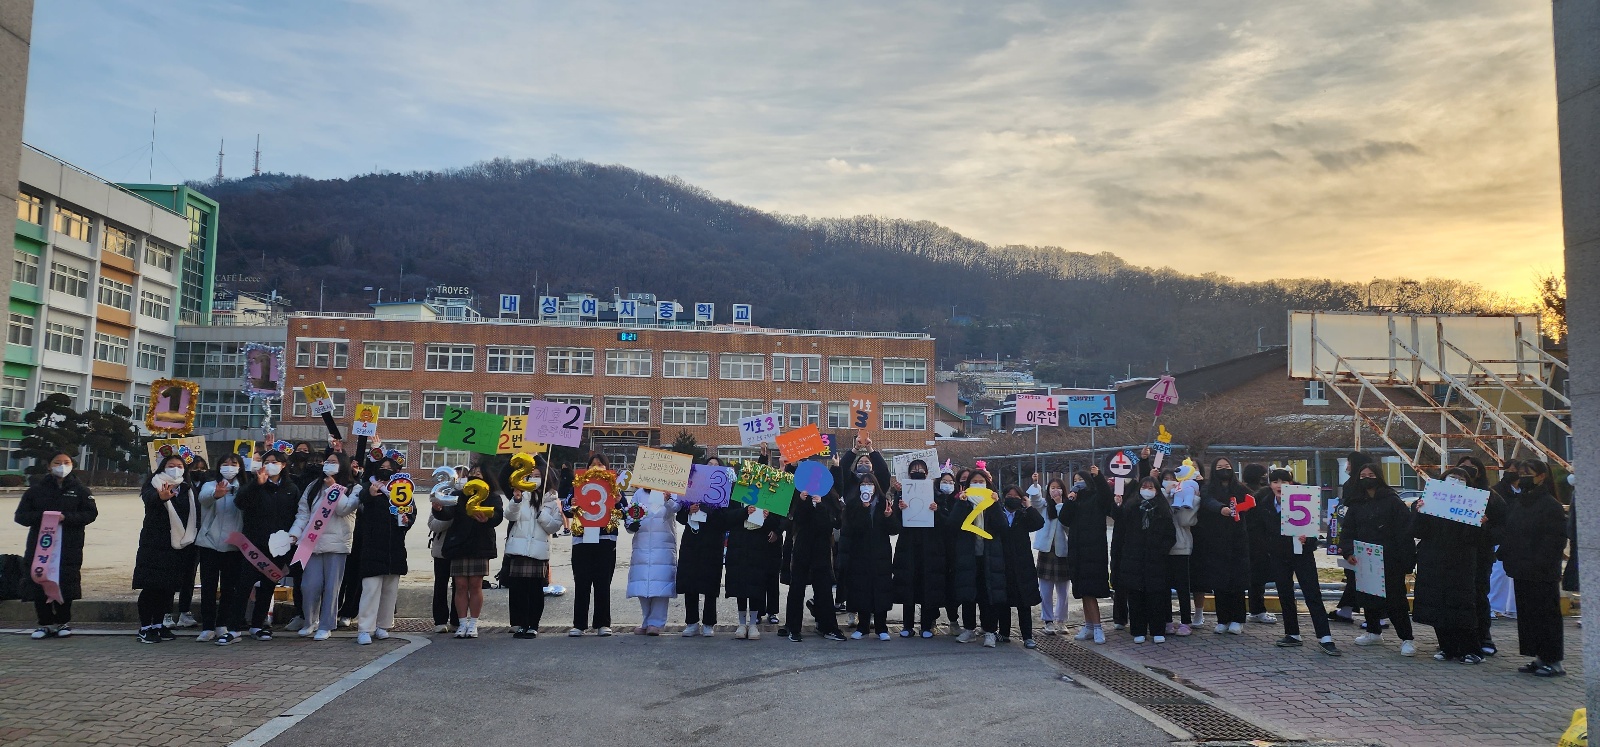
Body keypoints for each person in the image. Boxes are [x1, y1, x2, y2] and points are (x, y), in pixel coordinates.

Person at [14, 453, 97, 639]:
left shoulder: (81, 490)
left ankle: (62, 622)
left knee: (65, 583)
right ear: (49, 466)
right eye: (57, 462)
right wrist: (43, 517)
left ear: (72, 465)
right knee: (39, 581)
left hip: (68, 546)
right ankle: (44, 623)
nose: (62, 466)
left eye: (66, 463)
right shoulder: (35, 490)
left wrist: (66, 518)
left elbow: (90, 514)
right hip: (40, 546)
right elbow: (21, 516)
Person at [1257, 469, 1340, 655]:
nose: (1280, 485)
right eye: (1275, 481)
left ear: (1291, 483)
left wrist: (1307, 540)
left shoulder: (1304, 501)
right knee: (1285, 594)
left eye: (1284, 481)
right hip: (1279, 556)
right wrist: (1270, 548)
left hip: (1302, 555)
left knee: (1312, 594)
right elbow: (1261, 532)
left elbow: (1313, 533)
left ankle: (1325, 637)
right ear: (1270, 485)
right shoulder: (1264, 505)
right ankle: (1292, 633)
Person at [1498, 460, 1568, 676]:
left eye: (1528, 473)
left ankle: (1553, 660)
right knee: (1529, 617)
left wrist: (1539, 562)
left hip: (1542, 571)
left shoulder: (1550, 506)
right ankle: (1539, 657)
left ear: (1541, 476)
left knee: (1547, 616)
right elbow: (1509, 531)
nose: (1522, 476)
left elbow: (1554, 542)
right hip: (1521, 569)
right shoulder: (1520, 503)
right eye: (1520, 473)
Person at [1412, 467, 1487, 663]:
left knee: (1462, 605)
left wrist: (1480, 523)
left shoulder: (1472, 505)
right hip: (1433, 560)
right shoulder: (1430, 502)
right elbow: (1417, 531)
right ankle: (1447, 647)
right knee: (1437, 603)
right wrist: (1419, 511)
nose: (1456, 481)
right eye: (1451, 478)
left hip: (1461, 561)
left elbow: (1476, 539)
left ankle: (1472, 649)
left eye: (1461, 479)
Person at [1341, 463, 1418, 656]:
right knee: (1368, 596)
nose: (1367, 478)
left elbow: (1405, 532)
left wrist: (1406, 560)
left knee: (1396, 600)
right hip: (1364, 557)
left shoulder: (1393, 501)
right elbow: (1348, 530)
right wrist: (1349, 551)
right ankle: (1373, 631)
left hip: (1390, 558)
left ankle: (1406, 638)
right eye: (1362, 475)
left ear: (1379, 476)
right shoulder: (1356, 503)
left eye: (1371, 474)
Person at [224, 450, 301, 643]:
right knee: (243, 586)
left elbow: (298, 514)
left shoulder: (292, 488)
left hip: (278, 546)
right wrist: (256, 486)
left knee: (268, 586)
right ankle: (233, 628)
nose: (270, 465)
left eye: (275, 461)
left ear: (283, 465)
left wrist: (292, 536)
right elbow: (240, 502)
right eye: (266, 461)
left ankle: (258, 625)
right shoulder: (254, 485)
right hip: (253, 545)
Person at [288, 452, 358, 641]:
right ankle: (310, 621)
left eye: (333, 462)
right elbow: (303, 513)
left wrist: (334, 488)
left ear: (343, 466)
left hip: (337, 545)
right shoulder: (313, 486)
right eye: (327, 462)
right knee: (309, 586)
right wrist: (294, 533)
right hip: (311, 543)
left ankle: (326, 624)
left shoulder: (353, 488)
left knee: (332, 587)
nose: (328, 465)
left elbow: (344, 510)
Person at [133, 455, 200, 644]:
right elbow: (148, 499)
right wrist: (160, 498)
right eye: (171, 465)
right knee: (151, 588)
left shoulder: (187, 488)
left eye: (179, 466)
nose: (175, 469)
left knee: (168, 589)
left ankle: (158, 625)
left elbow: (195, 514)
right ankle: (145, 627)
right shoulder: (154, 484)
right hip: (155, 544)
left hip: (179, 546)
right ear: (163, 467)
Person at [352, 457, 415, 645]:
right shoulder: (368, 487)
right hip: (372, 545)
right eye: (382, 467)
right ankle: (365, 628)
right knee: (370, 589)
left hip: (394, 547)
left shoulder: (403, 490)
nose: (386, 470)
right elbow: (359, 504)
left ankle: (383, 625)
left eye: (389, 468)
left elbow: (411, 512)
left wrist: (406, 521)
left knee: (390, 590)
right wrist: (369, 495)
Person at [565, 454, 628, 637]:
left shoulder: (615, 488)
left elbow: (625, 514)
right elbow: (567, 511)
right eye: (593, 465)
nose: (596, 468)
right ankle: (579, 624)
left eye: (600, 465)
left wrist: (618, 502)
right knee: (582, 583)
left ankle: (602, 623)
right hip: (582, 540)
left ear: (607, 468)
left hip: (606, 540)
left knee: (603, 583)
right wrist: (572, 503)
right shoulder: (578, 485)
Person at [441, 465, 505, 639]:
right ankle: (462, 623)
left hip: (480, 545)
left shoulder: (492, 496)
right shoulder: (459, 495)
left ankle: (474, 623)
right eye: (472, 474)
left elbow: (498, 516)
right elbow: (446, 514)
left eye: (479, 473)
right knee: (460, 586)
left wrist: (488, 519)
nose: (475, 476)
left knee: (476, 586)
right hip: (459, 545)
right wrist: (438, 507)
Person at [502, 459, 563, 639]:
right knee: (518, 590)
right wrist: (516, 500)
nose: (534, 479)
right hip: (519, 548)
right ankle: (520, 624)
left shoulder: (551, 498)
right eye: (531, 475)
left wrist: (542, 515)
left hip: (538, 550)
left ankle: (533, 625)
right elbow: (509, 515)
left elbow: (554, 526)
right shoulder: (523, 494)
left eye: (537, 476)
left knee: (535, 590)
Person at [839, 471, 900, 640]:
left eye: (870, 484)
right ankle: (863, 626)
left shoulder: (883, 503)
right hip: (859, 554)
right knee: (861, 589)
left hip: (881, 554)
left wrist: (889, 517)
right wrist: (863, 510)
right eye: (863, 484)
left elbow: (894, 530)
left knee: (881, 589)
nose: (867, 487)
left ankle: (881, 628)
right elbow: (849, 529)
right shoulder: (853, 504)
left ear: (876, 487)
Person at [1197, 457, 1254, 635]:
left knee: (1237, 581)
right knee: (1219, 581)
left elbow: (1253, 502)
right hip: (1216, 541)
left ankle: (1238, 619)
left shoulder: (1241, 488)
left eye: (1227, 467)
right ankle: (1223, 619)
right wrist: (1221, 509)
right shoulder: (1208, 488)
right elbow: (1207, 501)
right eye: (1220, 467)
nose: (1224, 470)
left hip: (1238, 540)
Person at [194, 454, 247, 643]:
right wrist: (216, 494)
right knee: (208, 587)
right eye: (225, 464)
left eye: (233, 464)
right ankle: (207, 626)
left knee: (228, 588)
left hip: (234, 546)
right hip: (210, 543)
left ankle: (222, 623)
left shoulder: (245, 488)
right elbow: (203, 499)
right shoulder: (211, 484)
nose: (229, 467)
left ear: (240, 467)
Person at [892, 460, 949, 638]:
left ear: (927, 472)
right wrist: (898, 506)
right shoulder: (902, 493)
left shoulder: (937, 494)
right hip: (908, 546)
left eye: (921, 469)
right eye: (914, 469)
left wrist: (937, 510)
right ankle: (907, 625)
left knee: (928, 585)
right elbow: (894, 523)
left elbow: (946, 523)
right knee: (908, 584)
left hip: (930, 547)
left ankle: (926, 625)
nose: (918, 471)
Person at [784, 485, 846, 642]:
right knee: (797, 587)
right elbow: (795, 521)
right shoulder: (799, 495)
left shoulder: (829, 496)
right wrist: (802, 502)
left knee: (824, 588)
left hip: (822, 547)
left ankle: (828, 627)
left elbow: (832, 523)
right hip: (802, 546)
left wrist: (820, 505)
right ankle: (793, 628)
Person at [1061, 467, 1115, 644]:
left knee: (1091, 590)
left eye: (1081, 479)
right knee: (1083, 590)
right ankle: (1089, 626)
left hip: (1094, 549)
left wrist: (1098, 477)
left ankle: (1098, 627)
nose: (1078, 483)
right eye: (1075, 480)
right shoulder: (1074, 501)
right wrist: (1069, 501)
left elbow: (1106, 496)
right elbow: (1064, 518)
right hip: (1077, 550)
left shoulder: (1096, 498)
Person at [986, 485, 1045, 648]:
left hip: (1022, 563)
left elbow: (1039, 523)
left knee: (1023, 602)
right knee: (1003, 600)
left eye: (1016, 496)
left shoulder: (1023, 515)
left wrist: (1029, 506)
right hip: (1002, 561)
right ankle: (1004, 633)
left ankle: (1027, 636)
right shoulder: (999, 513)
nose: (1013, 498)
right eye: (1009, 495)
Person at [1118, 477, 1175, 644]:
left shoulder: (1163, 510)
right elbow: (1121, 528)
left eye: (1151, 487)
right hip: (1134, 558)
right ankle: (1138, 630)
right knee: (1135, 597)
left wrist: (1160, 550)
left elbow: (1171, 536)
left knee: (1156, 597)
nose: (1147, 489)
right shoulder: (1131, 508)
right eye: (1144, 486)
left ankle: (1158, 630)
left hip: (1156, 561)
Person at [625, 487, 680, 636]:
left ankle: (656, 622)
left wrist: (668, 499)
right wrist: (631, 525)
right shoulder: (639, 494)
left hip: (663, 543)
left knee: (660, 584)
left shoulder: (670, 490)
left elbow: (676, 508)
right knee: (642, 583)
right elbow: (630, 515)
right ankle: (646, 620)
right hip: (641, 544)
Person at [168, 455, 212, 630]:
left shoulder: (210, 485)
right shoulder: (181, 486)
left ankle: (185, 611)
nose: (199, 472)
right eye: (194, 468)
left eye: (202, 468)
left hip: (201, 536)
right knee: (171, 575)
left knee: (189, 575)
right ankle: (166, 612)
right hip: (179, 533)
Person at [677, 490, 727, 638]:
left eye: (715, 465)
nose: (712, 466)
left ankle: (708, 623)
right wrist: (688, 511)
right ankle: (691, 622)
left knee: (710, 581)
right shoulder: (692, 490)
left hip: (713, 541)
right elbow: (679, 517)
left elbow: (725, 518)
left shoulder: (722, 491)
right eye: (709, 464)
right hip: (692, 540)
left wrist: (707, 509)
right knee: (689, 580)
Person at [1165, 466, 1200, 636]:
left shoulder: (1188, 494)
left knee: (1182, 587)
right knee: (1163, 586)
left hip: (1181, 547)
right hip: (1163, 548)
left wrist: (1191, 500)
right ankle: (1167, 620)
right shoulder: (1161, 497)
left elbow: (1187, 520)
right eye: (1166, 479)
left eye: (1173, 478)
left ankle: (1186, 621)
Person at [1034, 477, 1071, 635]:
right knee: (1045, 590)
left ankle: (1061, 620)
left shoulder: (1067, 506)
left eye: (1059, 487)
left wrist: (1060, 504)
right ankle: (1048, 621)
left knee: (1063, 591)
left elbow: (1068, 526)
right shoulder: (1043, 505)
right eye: (1052, 487)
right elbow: (1034, 499)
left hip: (1063, 553)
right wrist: (1036, 484)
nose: (1055, 490)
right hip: (1046, 552)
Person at [1241, 463, 1278, 625]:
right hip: (1257, 538)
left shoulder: (1243, 489)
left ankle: (1253, 609)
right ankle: (1257, 609)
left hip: (1249, 537)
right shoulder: (1260, 493)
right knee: (1257, 578)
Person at [426, 466, 461, 634]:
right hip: (441, 549)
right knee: (440, 584)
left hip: (460, 548)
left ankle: (456, 619)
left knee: (459, 585)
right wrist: (449, 515)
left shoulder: (465, 497)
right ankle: (440, 620)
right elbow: (433, 524)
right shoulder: (441, 496)